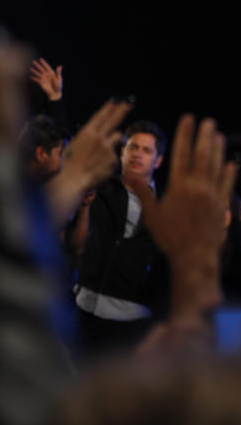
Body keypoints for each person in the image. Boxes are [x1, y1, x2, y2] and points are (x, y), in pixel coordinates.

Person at [73, 120, 170, 361]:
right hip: (85, 312)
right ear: (122, 152)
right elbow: (65, 160)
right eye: (132, 147)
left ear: (158, 161)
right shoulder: (99, 188)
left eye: (147, 150)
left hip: (134, 323)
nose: (137, 154)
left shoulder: (166, 209)